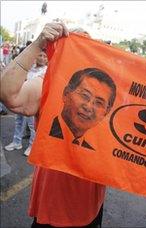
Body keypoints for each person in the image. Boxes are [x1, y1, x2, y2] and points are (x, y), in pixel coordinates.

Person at [0, 22, 106, 227]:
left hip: (91, 205)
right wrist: (38, 44)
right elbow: (7, 94)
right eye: (73, 48)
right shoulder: (48, 83)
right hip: (54, 205)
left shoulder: (104, 92)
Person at [49, 68, 116, 151]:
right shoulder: (45, 127)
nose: (88, 107)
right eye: (85, 95)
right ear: (66, 94)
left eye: (99, 103)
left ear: (106, 112)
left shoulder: (91, 154)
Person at [4, 50, 48, 156]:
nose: (42, 58)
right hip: (22, 98)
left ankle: (31, 146)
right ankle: (16, 142)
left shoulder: (47, 71)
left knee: (32, 125)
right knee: (18, 121)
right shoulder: (30, 69)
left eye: (45, 56)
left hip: (34, 104)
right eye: (40, 55)